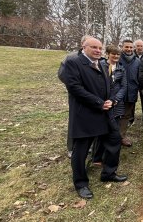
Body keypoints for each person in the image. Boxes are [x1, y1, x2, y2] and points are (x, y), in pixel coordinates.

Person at [63, 38, 127, 199]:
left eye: (100, 48)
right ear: (83, 47)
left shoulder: (102, 64)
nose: (98, 50)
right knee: (81, 151)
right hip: (86, 114)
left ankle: (109, 173)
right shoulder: (74, 63)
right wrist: (99, 103)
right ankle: (81, 184)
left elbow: (110, 86)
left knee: (114, 139)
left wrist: (111, 100)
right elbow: (75, 88)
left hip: (106, 113)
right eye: (94, 47)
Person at [58, 35, 93, 158]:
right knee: (75, 121)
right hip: (77, 96)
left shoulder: (95, 59)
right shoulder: (71, 58)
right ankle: (72, 148)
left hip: (92, 95)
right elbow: (63, 75)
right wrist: (77, 86)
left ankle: (88, 145)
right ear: (83, 44)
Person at [92, 45, 127, 165]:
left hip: (117, 103)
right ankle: (97, 157)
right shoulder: (101, 66)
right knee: (102, 131)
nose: (116, 56)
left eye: (118, 54)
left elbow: (124, 86)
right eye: (113, 54)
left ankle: (109, 155)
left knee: (114, 130)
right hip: (103, 103)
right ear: (108, 54)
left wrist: (116, 99)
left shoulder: (121, 69)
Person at [118, 39, 140, 147]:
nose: (129, 49)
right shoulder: (117, 58)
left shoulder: (137, 61)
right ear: (122, 47)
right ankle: (112, 136)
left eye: (131, 47)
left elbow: (140, 77)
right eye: (126, 47)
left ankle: (122, 136)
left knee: (126, 115)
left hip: (131, 92)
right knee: (116, 115)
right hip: (117, 93)